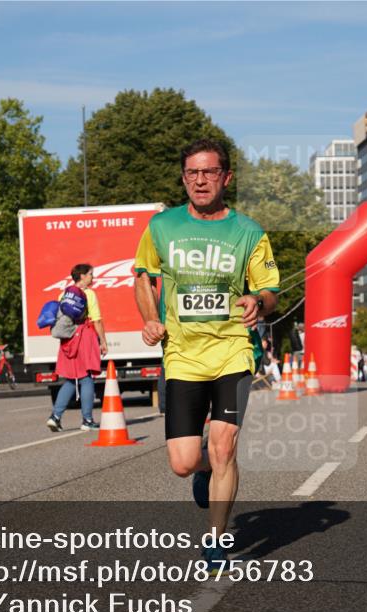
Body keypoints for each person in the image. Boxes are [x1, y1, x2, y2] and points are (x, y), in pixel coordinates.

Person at [133, 138, 279, 573]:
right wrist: (149, 319)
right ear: (183, 178)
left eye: (209, 172)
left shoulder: (249, 232)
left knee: (224, 447)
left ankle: (216, 539)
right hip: (182, 355)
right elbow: (143, 278)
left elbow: (269, 290)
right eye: (192, 173)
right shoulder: (161, 226)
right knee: (182, 462)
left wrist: (260, 303)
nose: (200, 180)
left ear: (226, 178)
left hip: (233, 352)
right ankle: (203, 472)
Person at [46, 263, 109, 432]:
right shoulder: (89, 294)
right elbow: (96, 320)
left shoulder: (63, 294)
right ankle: (87, 420)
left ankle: (55, 416)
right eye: (90, 274)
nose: (92, 277)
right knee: (86, 377)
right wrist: (103, 341)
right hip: (84, 336)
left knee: (70, 378)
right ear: (82, 276)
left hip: (68, 340)